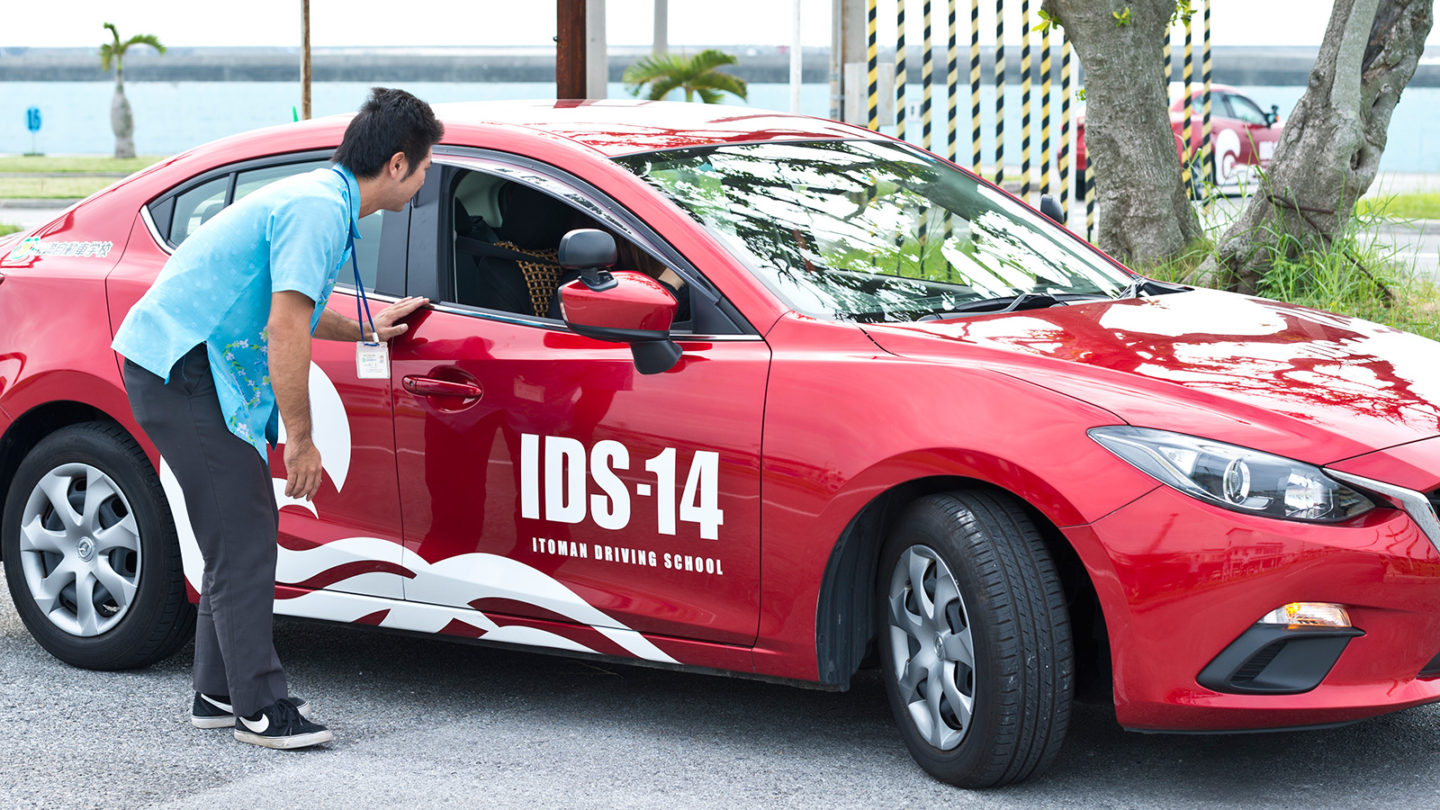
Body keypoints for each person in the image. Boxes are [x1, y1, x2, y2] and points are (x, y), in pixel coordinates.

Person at [112, 87, 443, 750]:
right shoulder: (318, 211)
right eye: (430, 163)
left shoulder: (321, 199)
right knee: (245, 535)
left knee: (234, 533)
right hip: (181, 368)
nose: (429, 175)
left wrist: (368, 328)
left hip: (182, 365)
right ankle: (261, 711)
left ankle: (219, 691)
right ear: (399, 164)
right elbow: (284, 327)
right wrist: (302, 441)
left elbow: (300, 306)